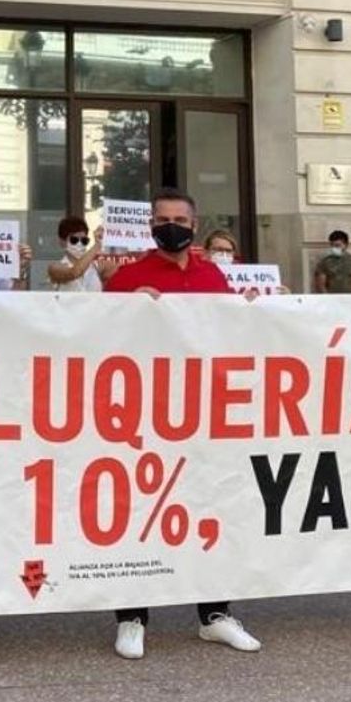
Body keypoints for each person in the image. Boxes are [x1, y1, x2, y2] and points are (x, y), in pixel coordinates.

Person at [103, 190, 261, 660]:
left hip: (203, 412)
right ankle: (131, 617)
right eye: (162, 218)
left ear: (194, 225)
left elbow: (232, 335)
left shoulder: (213, 276)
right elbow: (98, 336)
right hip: (145, 413)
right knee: (138, 512)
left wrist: (254, 311)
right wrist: (125, 307)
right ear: (151, 225)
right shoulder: (128, 278)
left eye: (179, 219)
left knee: (210, 508)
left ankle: (214, 615)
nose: (170, 225)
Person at [47, 216, 116, 292]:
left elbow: (121, 271)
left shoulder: (96, 266)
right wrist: (97, 245)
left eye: (84, 240)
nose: (80, 244)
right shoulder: (54, 268)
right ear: (62, 241)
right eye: (74, 240)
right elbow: (74, 273)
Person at [313, 230, 351, 294]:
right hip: (330, 298)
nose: (335, 248)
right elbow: (321, 286)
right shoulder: (324, 263)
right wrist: (328, 298)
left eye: (337, 245)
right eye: (332, 245)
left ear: (346, 245)